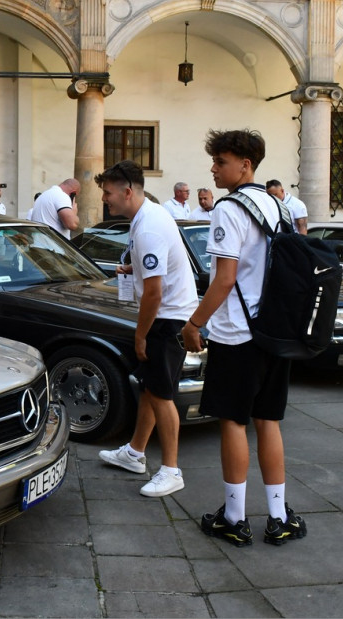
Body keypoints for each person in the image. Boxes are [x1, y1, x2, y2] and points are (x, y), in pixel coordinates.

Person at [181, 129, 307, 548]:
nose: (214, 169)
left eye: (221, 162)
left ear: (245, 165)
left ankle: (234, 518)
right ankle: (279, 516)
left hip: (238, 333)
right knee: (268, 420)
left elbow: (224, 279)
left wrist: (194, 323)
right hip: (274, 329)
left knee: (233, 421)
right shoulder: (278, 206)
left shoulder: (228, 209)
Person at [94, 160, 198, 498]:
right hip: (170, 316)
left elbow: (154, 291)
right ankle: (135, 453)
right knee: (152, 390)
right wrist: (131, 268)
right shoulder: (149, 216)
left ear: (127, 191)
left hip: (166, 321)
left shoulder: (149, 226)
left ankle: (171, 471)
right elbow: (154, 270)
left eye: (108, 193)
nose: (105, 200)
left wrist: (140, 334)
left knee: (163, 396)